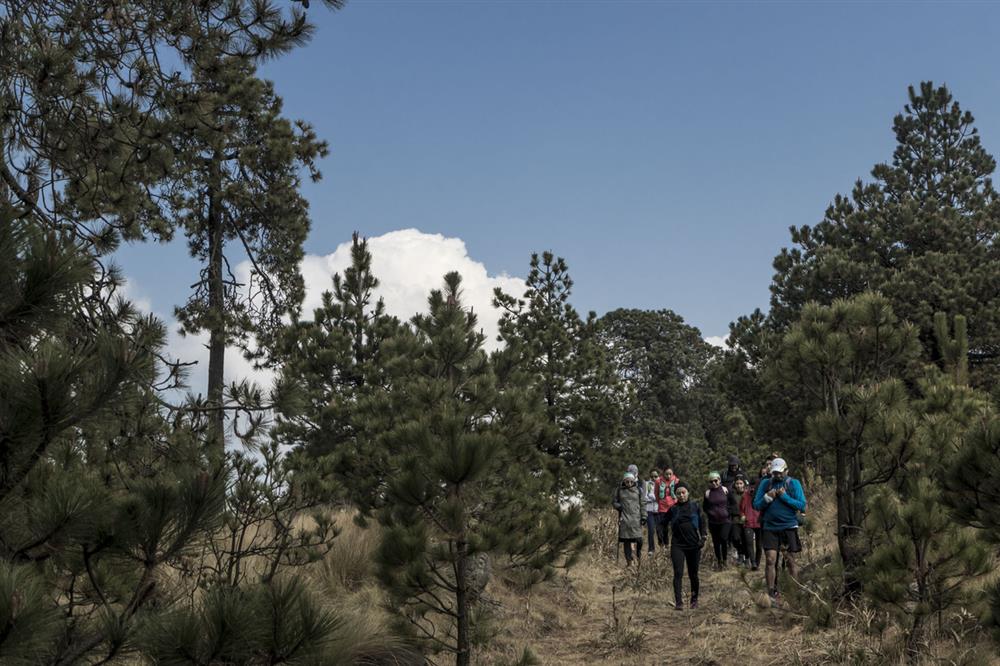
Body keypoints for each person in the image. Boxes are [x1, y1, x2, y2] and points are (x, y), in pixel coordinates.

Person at [752, 457, 807, 605]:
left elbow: (802, 505)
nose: (777, 476)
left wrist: (784, 497)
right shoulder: (766, 483)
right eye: (774, 473)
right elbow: (756, 505)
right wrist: (767, 498)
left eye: (780, 473)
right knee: (770, 560)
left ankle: (794, 594)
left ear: (786, 471)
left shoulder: (793, 483)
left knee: (790, 561)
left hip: (789, 527)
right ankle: (771, 593)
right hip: (770, 527)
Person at [661, 482, 706, 609]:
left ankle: (694, 600)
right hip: (677, 545)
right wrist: (663, 540)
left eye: (683, 492)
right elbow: (662, 524)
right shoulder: (673, 509)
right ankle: (679, 602)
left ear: (688, 493)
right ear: (675, 494)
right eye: (678, 493)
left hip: (694, 545)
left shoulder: (695, 506)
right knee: (678, 573)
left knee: (693, 574)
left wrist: (703, 537)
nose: (681, 495)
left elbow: (703, 522)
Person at [703, 471, 736, 569]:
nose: (714, 483)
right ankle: (719, 561)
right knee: (716, 542)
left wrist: (728, 512)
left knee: (723, 539)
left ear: (719, 480)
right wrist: (710, 513)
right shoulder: (708, 493)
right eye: (711, 481)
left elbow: (733, 502)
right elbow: (704, 507)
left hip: (725, 520)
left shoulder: (725, 490)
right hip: (713, 522)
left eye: (716, 480)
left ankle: (725, 559)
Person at [613, 471, 644, 566]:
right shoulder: (619, 490)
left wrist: (644, 516)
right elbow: (614, 502)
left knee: (639, 540)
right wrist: (618, 506)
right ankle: (629, 562)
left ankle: (638, 557)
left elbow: (643, 504)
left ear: (634, 481)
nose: (629, 483)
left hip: (636, 518)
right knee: (627, 541)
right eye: (627, 482)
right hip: (625, 518)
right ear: (624, 481)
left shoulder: (639, 490)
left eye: (631, 481)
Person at [734, 477, 759, 569]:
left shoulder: (760, 494)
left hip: (759, 522)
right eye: (751, 486)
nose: (753, 488)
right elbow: (741, 509)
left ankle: (757, 562)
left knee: (759, 546)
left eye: (755, 486)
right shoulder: (745, 496)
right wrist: (743, 515)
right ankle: (753, 562)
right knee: (748, 543)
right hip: (748, 522)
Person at [655, 467, 679, 548]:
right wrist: (660, 502)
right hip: (663, 507)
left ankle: (675, 544)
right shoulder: (658, 481)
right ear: (663, 473)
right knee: (663, 527)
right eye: (666, 474)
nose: (668, 476)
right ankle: (665, 543)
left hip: (673, 506)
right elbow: (656, 493)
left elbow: (678, 492)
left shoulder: (676, 481)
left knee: (674, 526)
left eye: (670, 474)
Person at [643, 469, 662, 553]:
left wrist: (652, 497)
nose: (654, 478)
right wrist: (655, 498)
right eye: (652, 476)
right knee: (651, 530)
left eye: (656, 476)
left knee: (660, 530)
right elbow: (644, 497)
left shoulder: (662, 485)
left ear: (659, 476)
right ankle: (651, 549)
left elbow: (662, 497)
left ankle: (662, 546)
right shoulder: (647, 484)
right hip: (649, 510)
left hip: (659, 510)